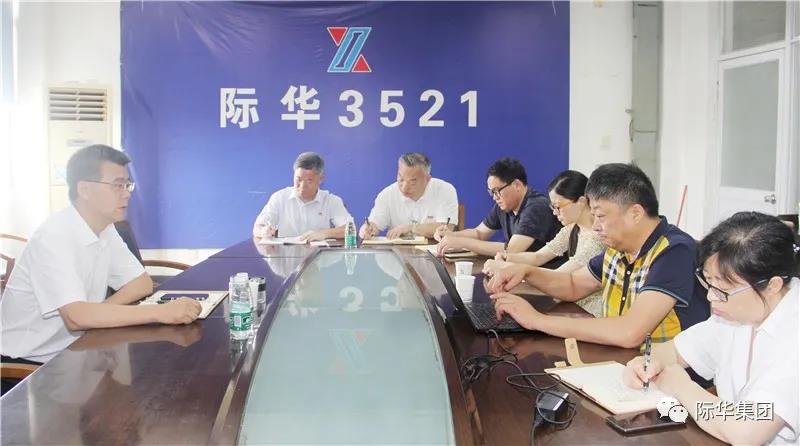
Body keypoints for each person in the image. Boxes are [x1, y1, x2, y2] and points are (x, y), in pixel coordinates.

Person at [0, 145, 201, 366]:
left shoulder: (105, 227)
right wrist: (160, 312)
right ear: (85, 189)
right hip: (27, 365)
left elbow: (141, 283)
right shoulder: (54, 236)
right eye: (117, 185)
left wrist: (97, 313)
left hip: (77, 349)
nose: (127, 193)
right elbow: (76, 317)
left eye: (127, 184)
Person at [623, 212, 799, 445]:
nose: (711, 296)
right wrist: (643, 364)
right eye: (708, 281)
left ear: (773, 285)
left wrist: (682, 387)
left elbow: (746, 431)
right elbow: (673, 352)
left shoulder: (793, 335)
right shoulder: (737, 314)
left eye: (723, 290)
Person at [488, 163, 710, 348]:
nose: (595, 226)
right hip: (618, 360)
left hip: (663, 375)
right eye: (593, 216)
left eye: (601, 216)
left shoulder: (673, 252)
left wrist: (537, 320)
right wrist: (526, 272)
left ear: (635, 213)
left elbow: (630, 332)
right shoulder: (618, 247)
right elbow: (573, 284)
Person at [483, 170, 605, 316]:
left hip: (587, 313)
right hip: (568, 305)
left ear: (581, 202)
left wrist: (509, 269)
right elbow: (538, 256)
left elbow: (557, 278)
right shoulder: (572, 229)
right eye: (552, 207)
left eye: (558, 206)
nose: (555, 212)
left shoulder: (597, 240)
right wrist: (507, 258)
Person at [434, 158, 562, 260]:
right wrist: (451, 235)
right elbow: (479, 233)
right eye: (491, 192)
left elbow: (511, 250)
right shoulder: (503, 205)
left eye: (497, 191)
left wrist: (463, 242)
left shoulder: (537, 206)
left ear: (517, 185)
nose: (495, 197)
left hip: (548, 274)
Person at [252, 152, 352, 241]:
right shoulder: (279, 197)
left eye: (309, 181)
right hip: (286, 254)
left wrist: (323, 233)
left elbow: (350, 229)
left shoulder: (330, 200)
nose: (302, 186)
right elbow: (257, 228)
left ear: (321, 179)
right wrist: (264, 231)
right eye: (298, 179)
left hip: (319, 254)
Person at [359, 152, 458, 240]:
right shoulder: (386, 195)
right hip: (397, 252)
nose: (404, 187)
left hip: (435, 250)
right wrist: (368, 229)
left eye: (412, 182)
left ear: (427, 179)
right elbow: (375, 224)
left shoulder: (445, 190)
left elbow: (446, 228)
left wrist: (410, 228)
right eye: (401, 179)